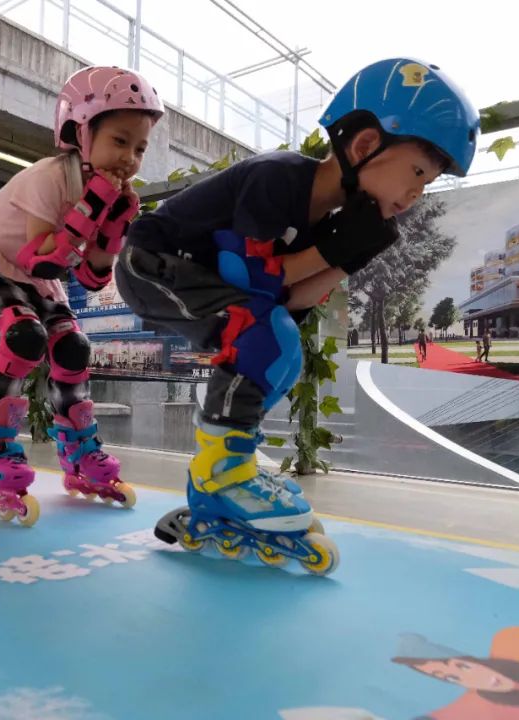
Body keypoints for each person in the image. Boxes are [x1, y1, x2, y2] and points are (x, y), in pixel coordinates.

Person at [114, 58, 479, 575]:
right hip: (149, 264)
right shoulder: (279, 178)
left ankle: (224, 470)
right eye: (418, 171)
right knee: (258, 334)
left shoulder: (324, 219)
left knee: (284, 350)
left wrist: (348, 256)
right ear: (365, 145)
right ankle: (222, 473)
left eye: (430, 180)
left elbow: (291, 302)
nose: (419, 191)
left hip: (199, 275)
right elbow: (248, 279)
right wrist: (334, 249)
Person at [0, 66, 164, 527]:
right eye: (119, 141)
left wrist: (113, 224)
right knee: (23, 337)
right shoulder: (49, 178)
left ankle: (79, 450)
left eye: (140, 148)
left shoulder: (112, 193)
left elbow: (91, 276)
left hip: (32, 275)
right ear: (80, 133)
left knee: (71, 346)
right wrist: (92, 205)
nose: (129, 158)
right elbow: (43, 258)